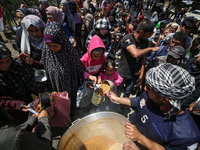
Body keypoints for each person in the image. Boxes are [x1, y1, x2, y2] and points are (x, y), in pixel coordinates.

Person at [109, 63, 200, 150]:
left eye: (148, 88)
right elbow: (138, 101)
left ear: (165, 99)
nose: (145, 89)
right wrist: (117, 99)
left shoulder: (186, 134)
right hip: (127, 136)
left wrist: (139, 138)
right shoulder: (152, 96)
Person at [117, 19, 159, 98]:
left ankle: (122, 108)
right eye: (149, 34)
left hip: (134, 75)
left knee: (127, 94)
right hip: (123, 73)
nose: (149, 36)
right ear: (142, 32)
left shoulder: (145, 42)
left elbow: (144, 60)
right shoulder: (128, 38)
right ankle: (114, 107)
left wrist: (141, 76)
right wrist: (150, 49)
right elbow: (135, 53)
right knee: (117, 93)